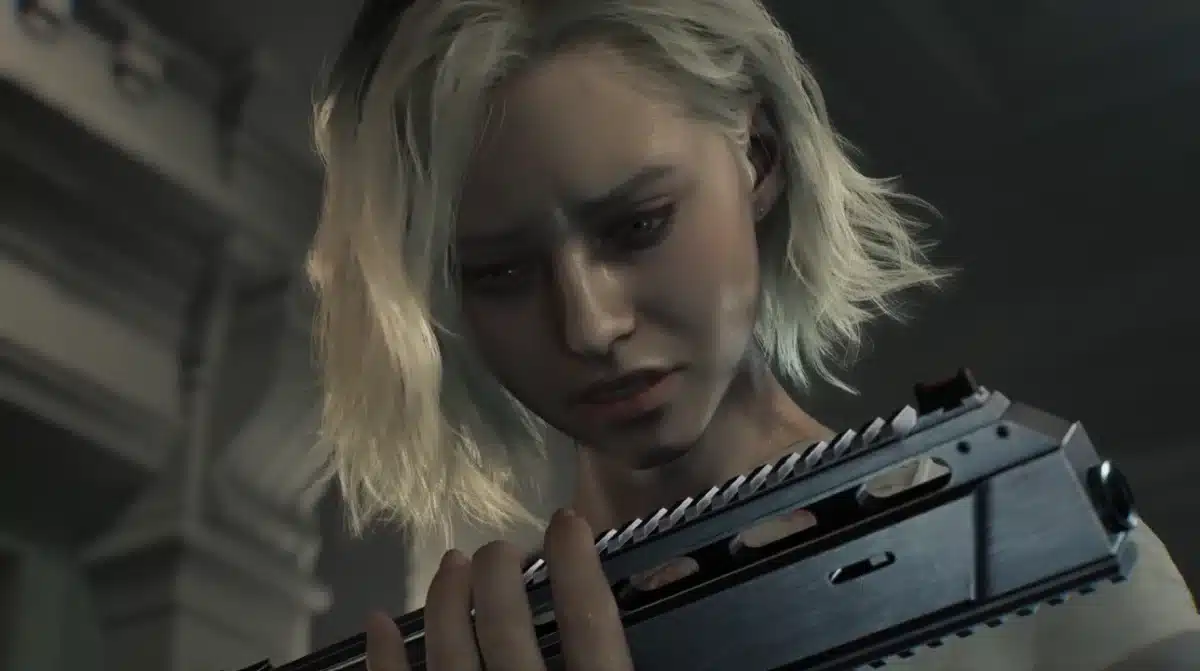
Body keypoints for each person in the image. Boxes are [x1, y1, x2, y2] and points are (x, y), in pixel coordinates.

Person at [306, 0, 1200, 669]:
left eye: (640, 225)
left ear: (759, 158)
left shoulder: (1027, 541)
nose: (590, 324)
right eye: (499, 272)